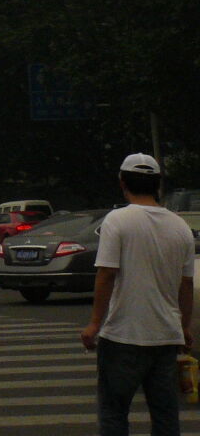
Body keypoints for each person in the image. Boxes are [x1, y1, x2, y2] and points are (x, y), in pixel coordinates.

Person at [81, 152, 195, 436]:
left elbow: (106, 274)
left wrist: (95, 323)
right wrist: (184, 328)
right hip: (166, 337)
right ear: (157, 184)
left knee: (114, 413)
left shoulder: (117, 220)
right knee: (166, 415)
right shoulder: (180, 226)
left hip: (123, 336)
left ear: (122, 182)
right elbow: (185, 284)